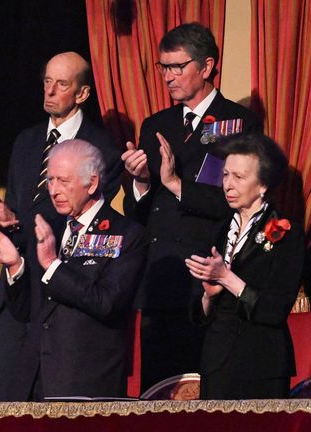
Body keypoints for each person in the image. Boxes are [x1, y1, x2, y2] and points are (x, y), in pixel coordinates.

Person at [121, 22, 262, 390]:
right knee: (159, 395)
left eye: (177, 67)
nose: (168, 77)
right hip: (160, 276)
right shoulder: (157, 123)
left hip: (206, 275)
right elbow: (139, 212)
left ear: (207, 66)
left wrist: (174, 183)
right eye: (163, 67)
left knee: (204, 395)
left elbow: (235, 200)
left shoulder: (238, 123)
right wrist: (140, 180)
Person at [0, 52, 123, 401]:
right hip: (16, 289)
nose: (51, 90)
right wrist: (8, 221)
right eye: (46, 81)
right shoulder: (26, 141)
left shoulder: (102, 149)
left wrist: (26, 228)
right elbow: (17, 207)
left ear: (82, 94)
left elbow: (90, 223)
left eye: (62, 84)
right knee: (6, 406)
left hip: (61, 297)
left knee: (51, 407)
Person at [0, 139, 146, 400]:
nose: (53, 190)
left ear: (91, 183)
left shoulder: (127, 234)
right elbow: (26, 311)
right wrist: (15, 266)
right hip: (34, 379)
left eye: (63, 181)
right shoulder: (49, 228)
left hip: (85, 381)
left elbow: (106, 302)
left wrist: (53, 266)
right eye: (50, 180)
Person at [185, 133, 303, 399]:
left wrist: (227, 278)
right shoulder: (219, 230)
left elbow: (275, 310)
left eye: (238, 177)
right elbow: (198, 314)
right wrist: (208, 295)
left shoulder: (287, 233)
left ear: (263, 185)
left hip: (262, 363)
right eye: (225, 175)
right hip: (216, 361)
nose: (228, 184)